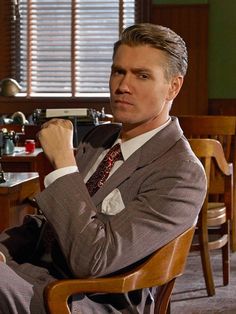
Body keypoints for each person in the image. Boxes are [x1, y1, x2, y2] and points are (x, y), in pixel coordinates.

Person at [0, 23, 206, 314]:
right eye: (118, 71)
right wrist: (4, 250)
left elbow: (92, 260)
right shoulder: (99, 138)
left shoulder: (181, 172)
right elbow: (46, 224)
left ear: (174, 86)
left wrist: (63, 166)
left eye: (142, 75)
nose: (123, 86)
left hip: (88, 299)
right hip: (34, 275)